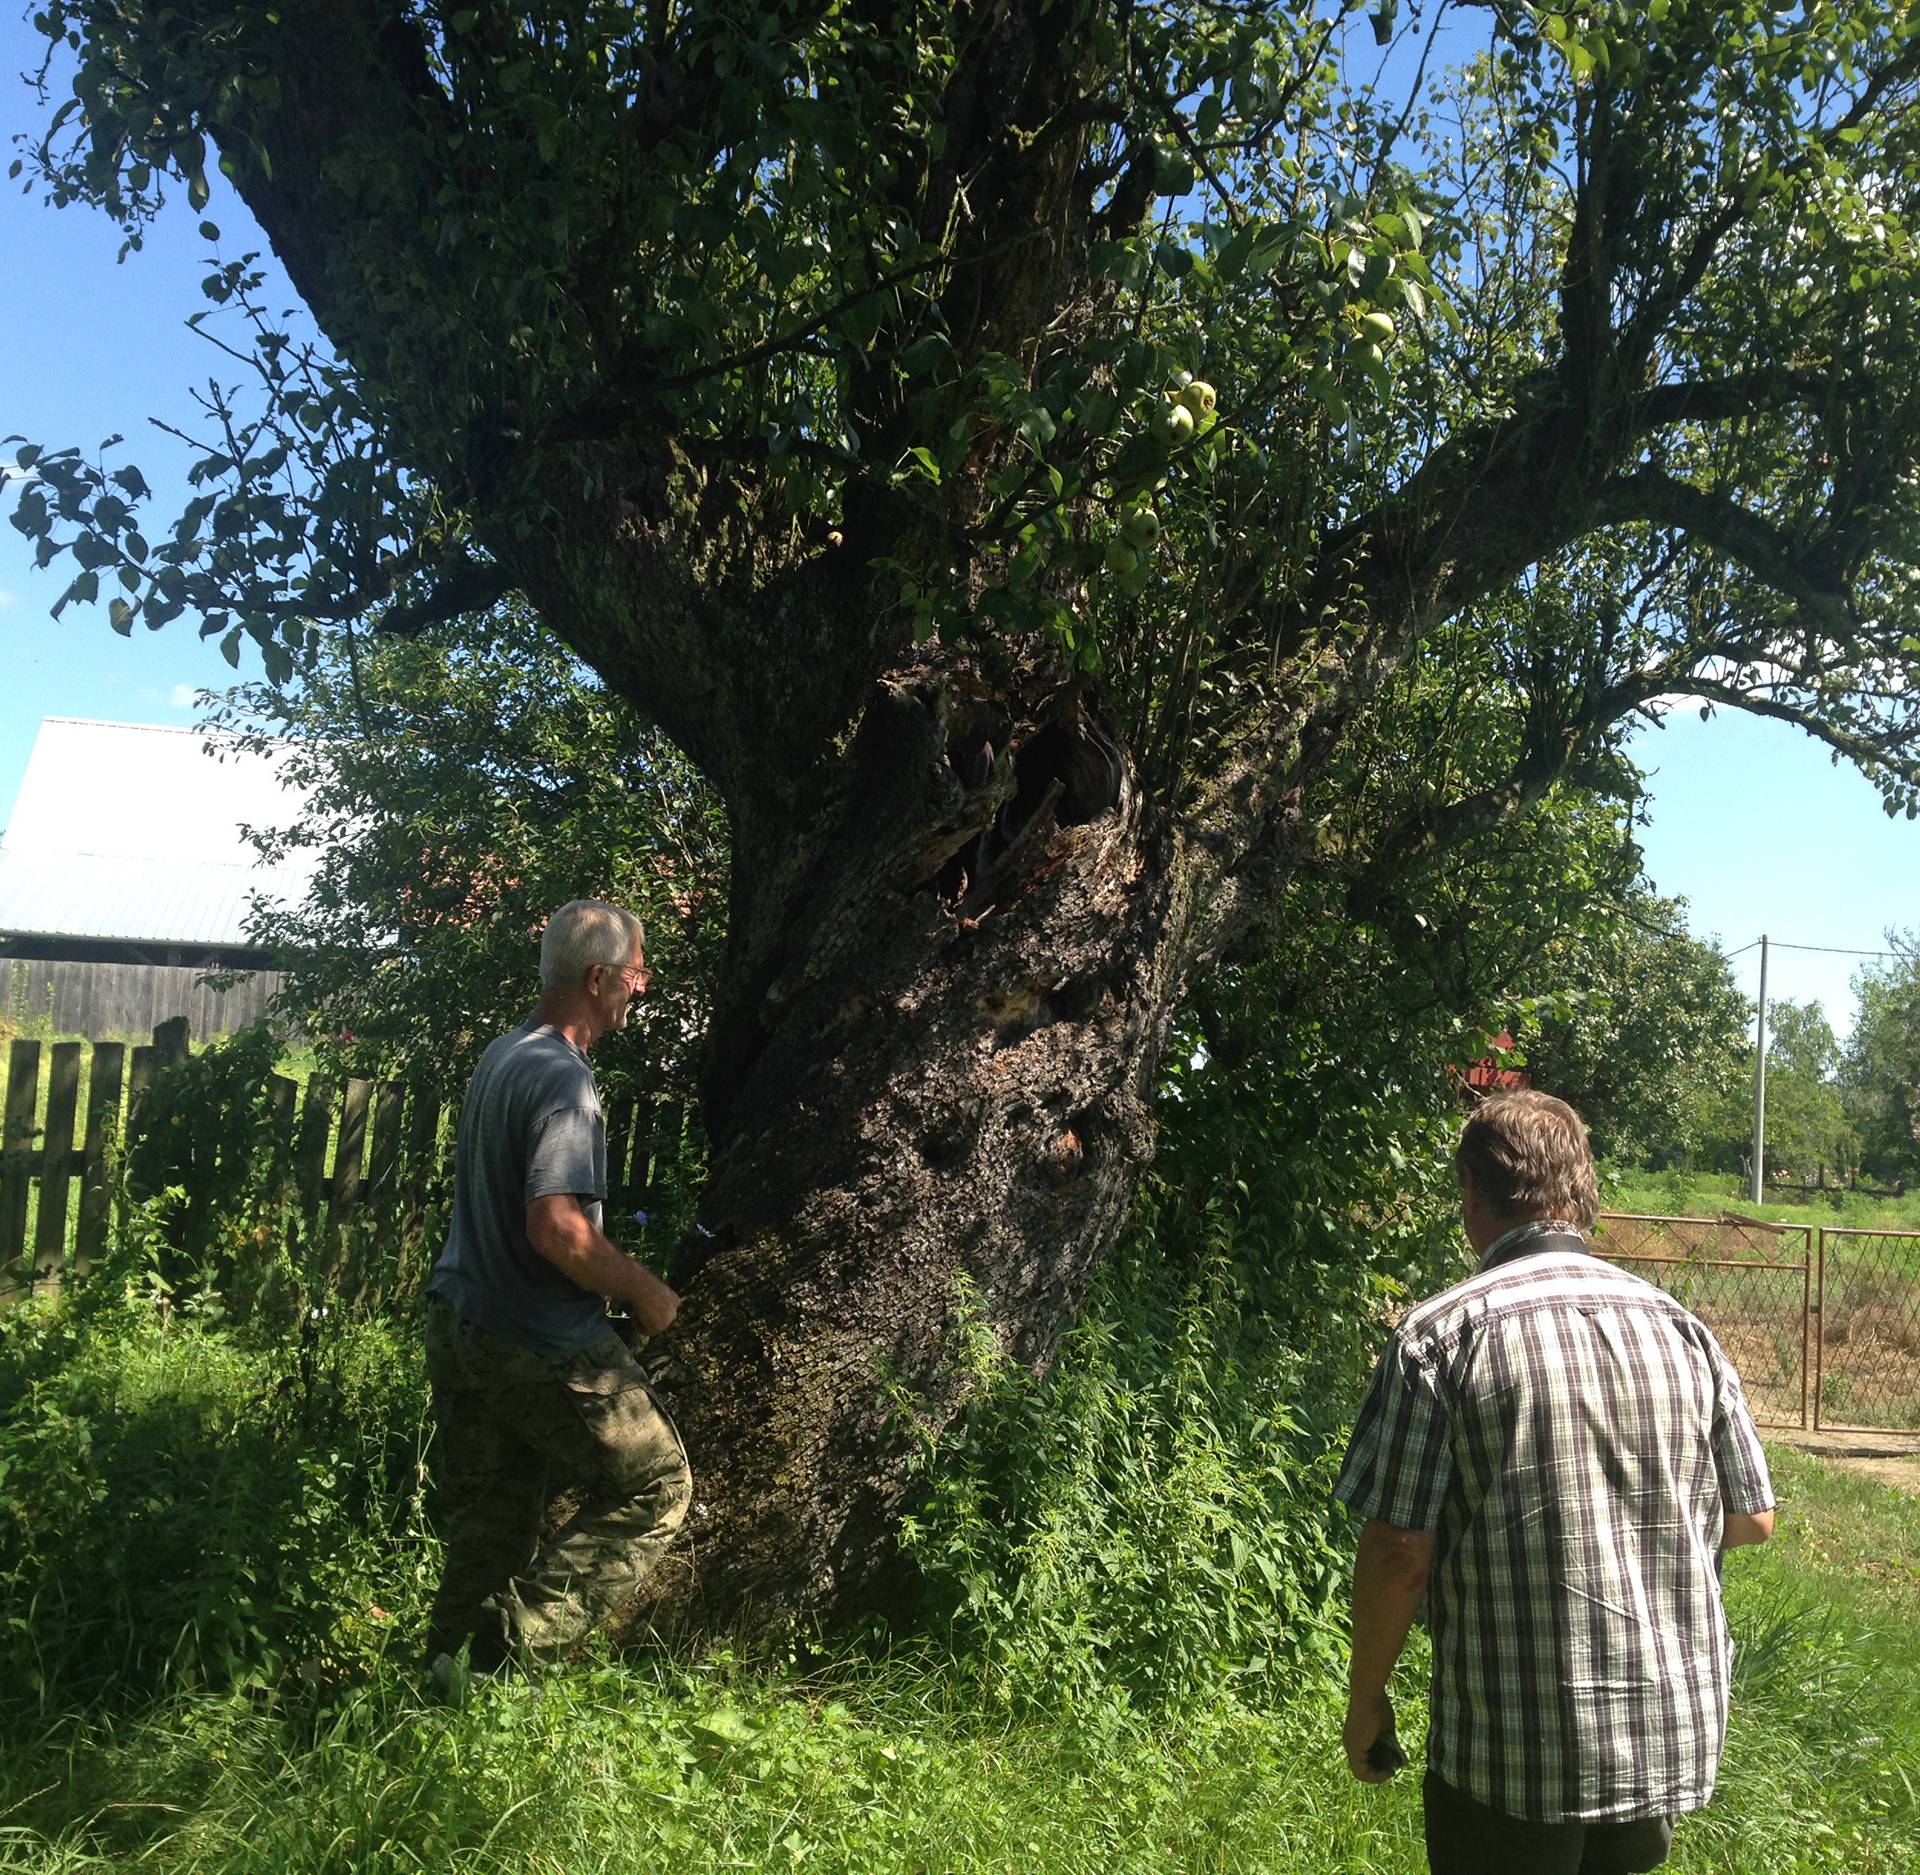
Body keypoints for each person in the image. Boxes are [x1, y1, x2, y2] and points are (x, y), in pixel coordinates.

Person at [1333, 1089, 1776, 1875]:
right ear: (1580, 1191)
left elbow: (1401, 1549)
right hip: (1658, 1733)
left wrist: (1367, 1701)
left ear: (1474, 1192)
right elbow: (1753, 1518)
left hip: (1512, 1748)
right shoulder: (1680, 1327)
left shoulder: (1441, 1336)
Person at [423, 897, 691, 1678]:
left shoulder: (506, 1053)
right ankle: (502, 1649)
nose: (642, 988)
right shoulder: (564, 1082)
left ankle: (445, 1685)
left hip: (463, 1321)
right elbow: (557, 1228)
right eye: (637, 971)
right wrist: (646, 1292)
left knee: (496, 1520)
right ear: (599, 975)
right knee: (660, 1486)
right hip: (533, 1335)